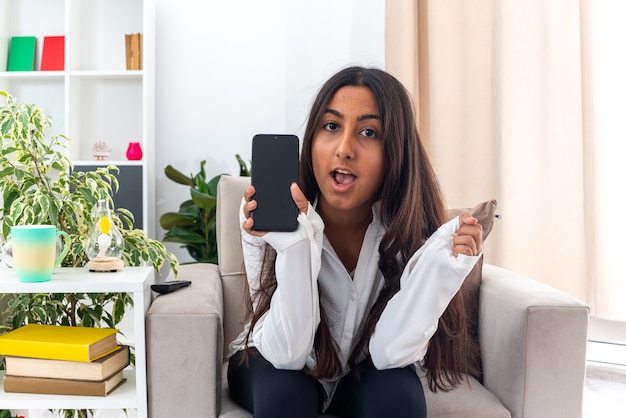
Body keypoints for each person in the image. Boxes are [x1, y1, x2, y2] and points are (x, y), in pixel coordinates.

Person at [227, 66, 483, 418]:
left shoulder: (411, 227)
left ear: (396, 150)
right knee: (287, 394)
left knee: (397, 396)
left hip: (366, 368)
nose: (344, 149)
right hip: (271, 359)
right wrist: (296, 246)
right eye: (331, 126)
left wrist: (439, 272)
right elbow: (287, 352)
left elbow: (389, 352)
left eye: (368, 132)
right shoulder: (267, 216)